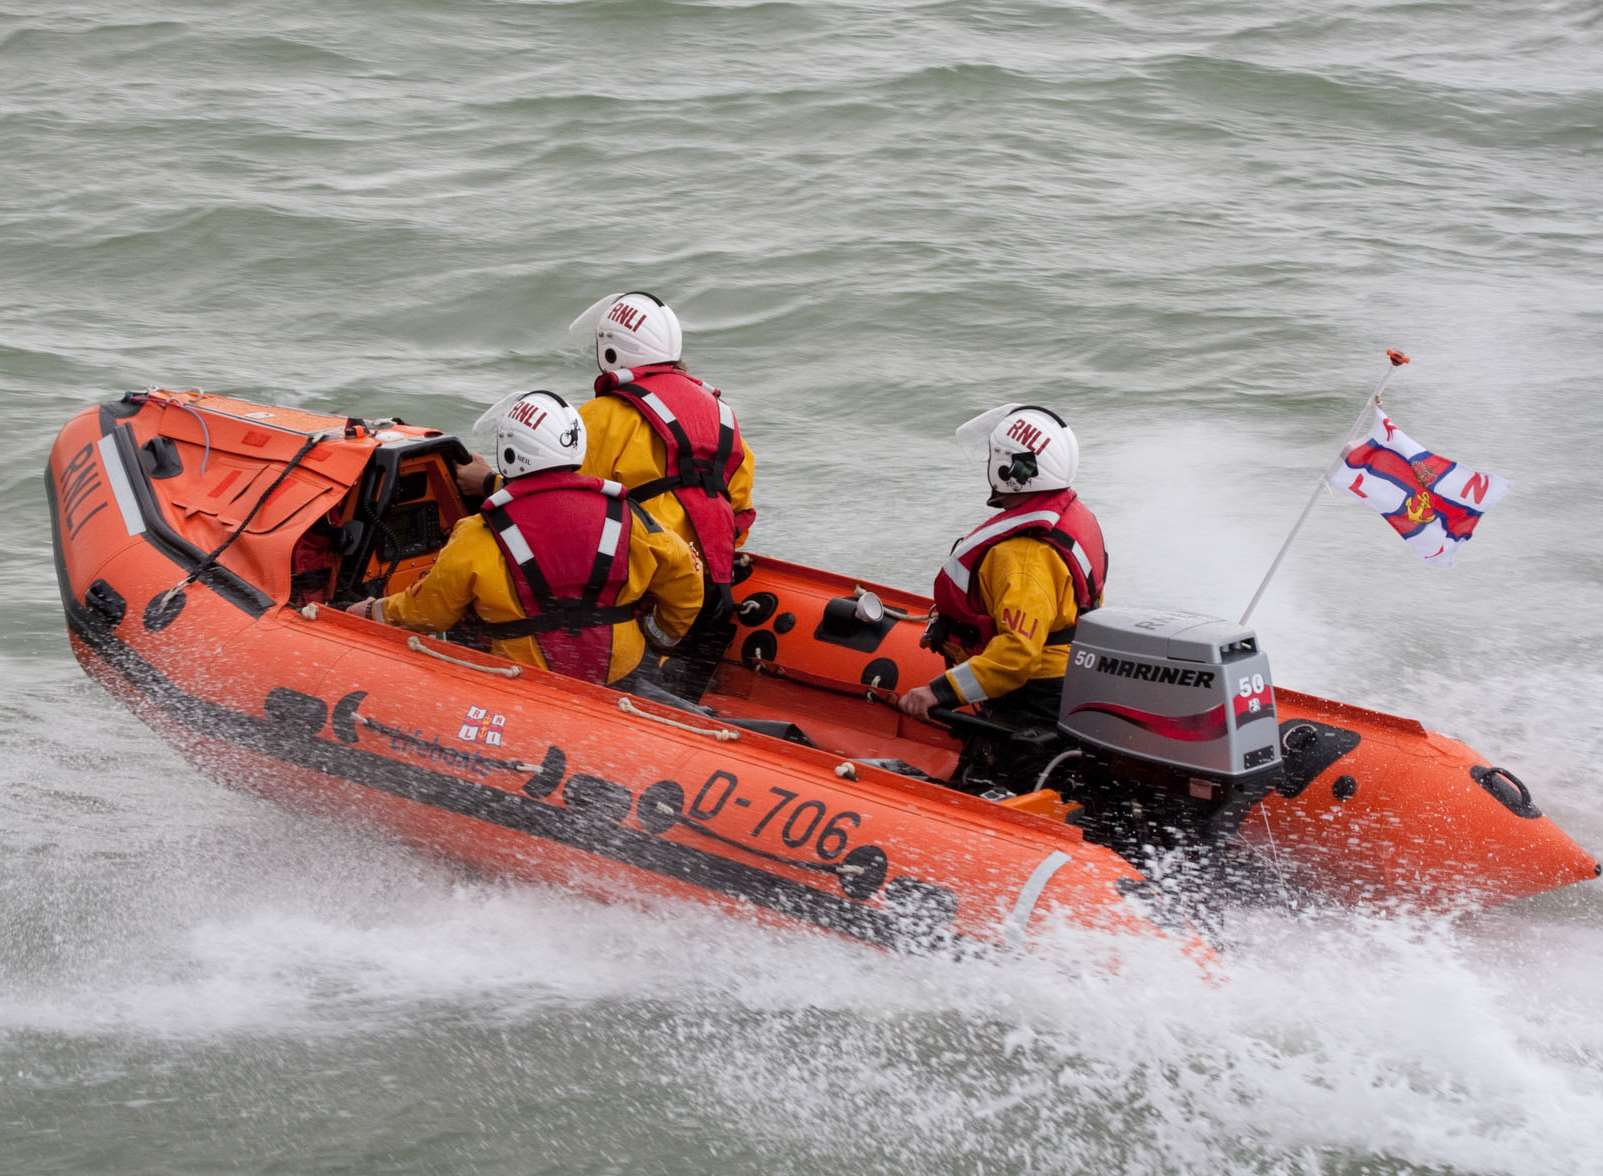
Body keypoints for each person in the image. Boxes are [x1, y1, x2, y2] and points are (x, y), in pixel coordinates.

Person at [457, 291, 756, 701]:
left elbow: (556, 500)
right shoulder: (722, 413)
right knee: (682, 689)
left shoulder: (602, 417)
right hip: (712, 584)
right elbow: (739, 507)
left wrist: (487, 483)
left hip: (646, 584)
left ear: (612, 349)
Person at [348, 390, 704, 689]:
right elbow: (686, 581)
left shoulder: (480, 533)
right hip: (620, 675)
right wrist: (661, 636)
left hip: (526, 686)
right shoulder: (629, 515)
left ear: (509, 453)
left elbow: (429, 613)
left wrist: (372, 611)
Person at [898, 405, 1108, 783]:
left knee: (984, 785)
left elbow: (1016, 656)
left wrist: (938, 693)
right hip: (1067, 681)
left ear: (1011, 470)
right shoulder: (1067, 515)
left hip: (1035, 700)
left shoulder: (1023, 556)